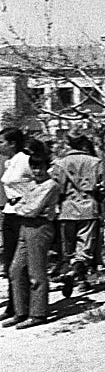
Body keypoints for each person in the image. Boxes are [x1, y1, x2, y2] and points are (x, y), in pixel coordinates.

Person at [3, 150, 61, 330]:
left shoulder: (51, 185)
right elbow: (20, 204)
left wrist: (22, 208)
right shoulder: (32, 184)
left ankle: (38, 313)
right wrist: (22, 207)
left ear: (47, 167)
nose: (37, 171)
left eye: (40, 167)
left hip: (40, 227)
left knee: (36, 272)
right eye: (34, 168)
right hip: (25, 227)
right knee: (16, 270)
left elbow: (33, 209)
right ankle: (21, 311)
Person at [52, 134, 105, 297]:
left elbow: (56, 188)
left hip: (67, 208)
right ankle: (78, 276)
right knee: (85, 248)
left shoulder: (60, 163)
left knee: (69, 248)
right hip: (89, 207)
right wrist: (97, 198)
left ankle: (74, 274)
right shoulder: (95, 162)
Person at [2, 127, 36, 320]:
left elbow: (39, 182)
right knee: (9, 261)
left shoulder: (25, 160)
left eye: (2, 142)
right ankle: (13, 304)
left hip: (22, 213)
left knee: (20, 262)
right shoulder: (9, 162)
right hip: (10, 211)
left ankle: (23, 305)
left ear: (12, 143)